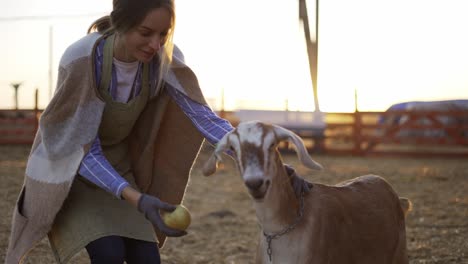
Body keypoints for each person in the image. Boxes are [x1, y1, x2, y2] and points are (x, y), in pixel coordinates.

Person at [5, 0, 312, 263]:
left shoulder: (163, 58)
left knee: (146, 258)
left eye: (163, 34)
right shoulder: (83, 60)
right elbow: (82, 149)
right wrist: (137, 199)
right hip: (73, 172)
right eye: (145, 33)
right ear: (120, 24)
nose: (155, 44)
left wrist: (265, 163)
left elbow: (204, 118)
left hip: (122, 169)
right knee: (109, 254)